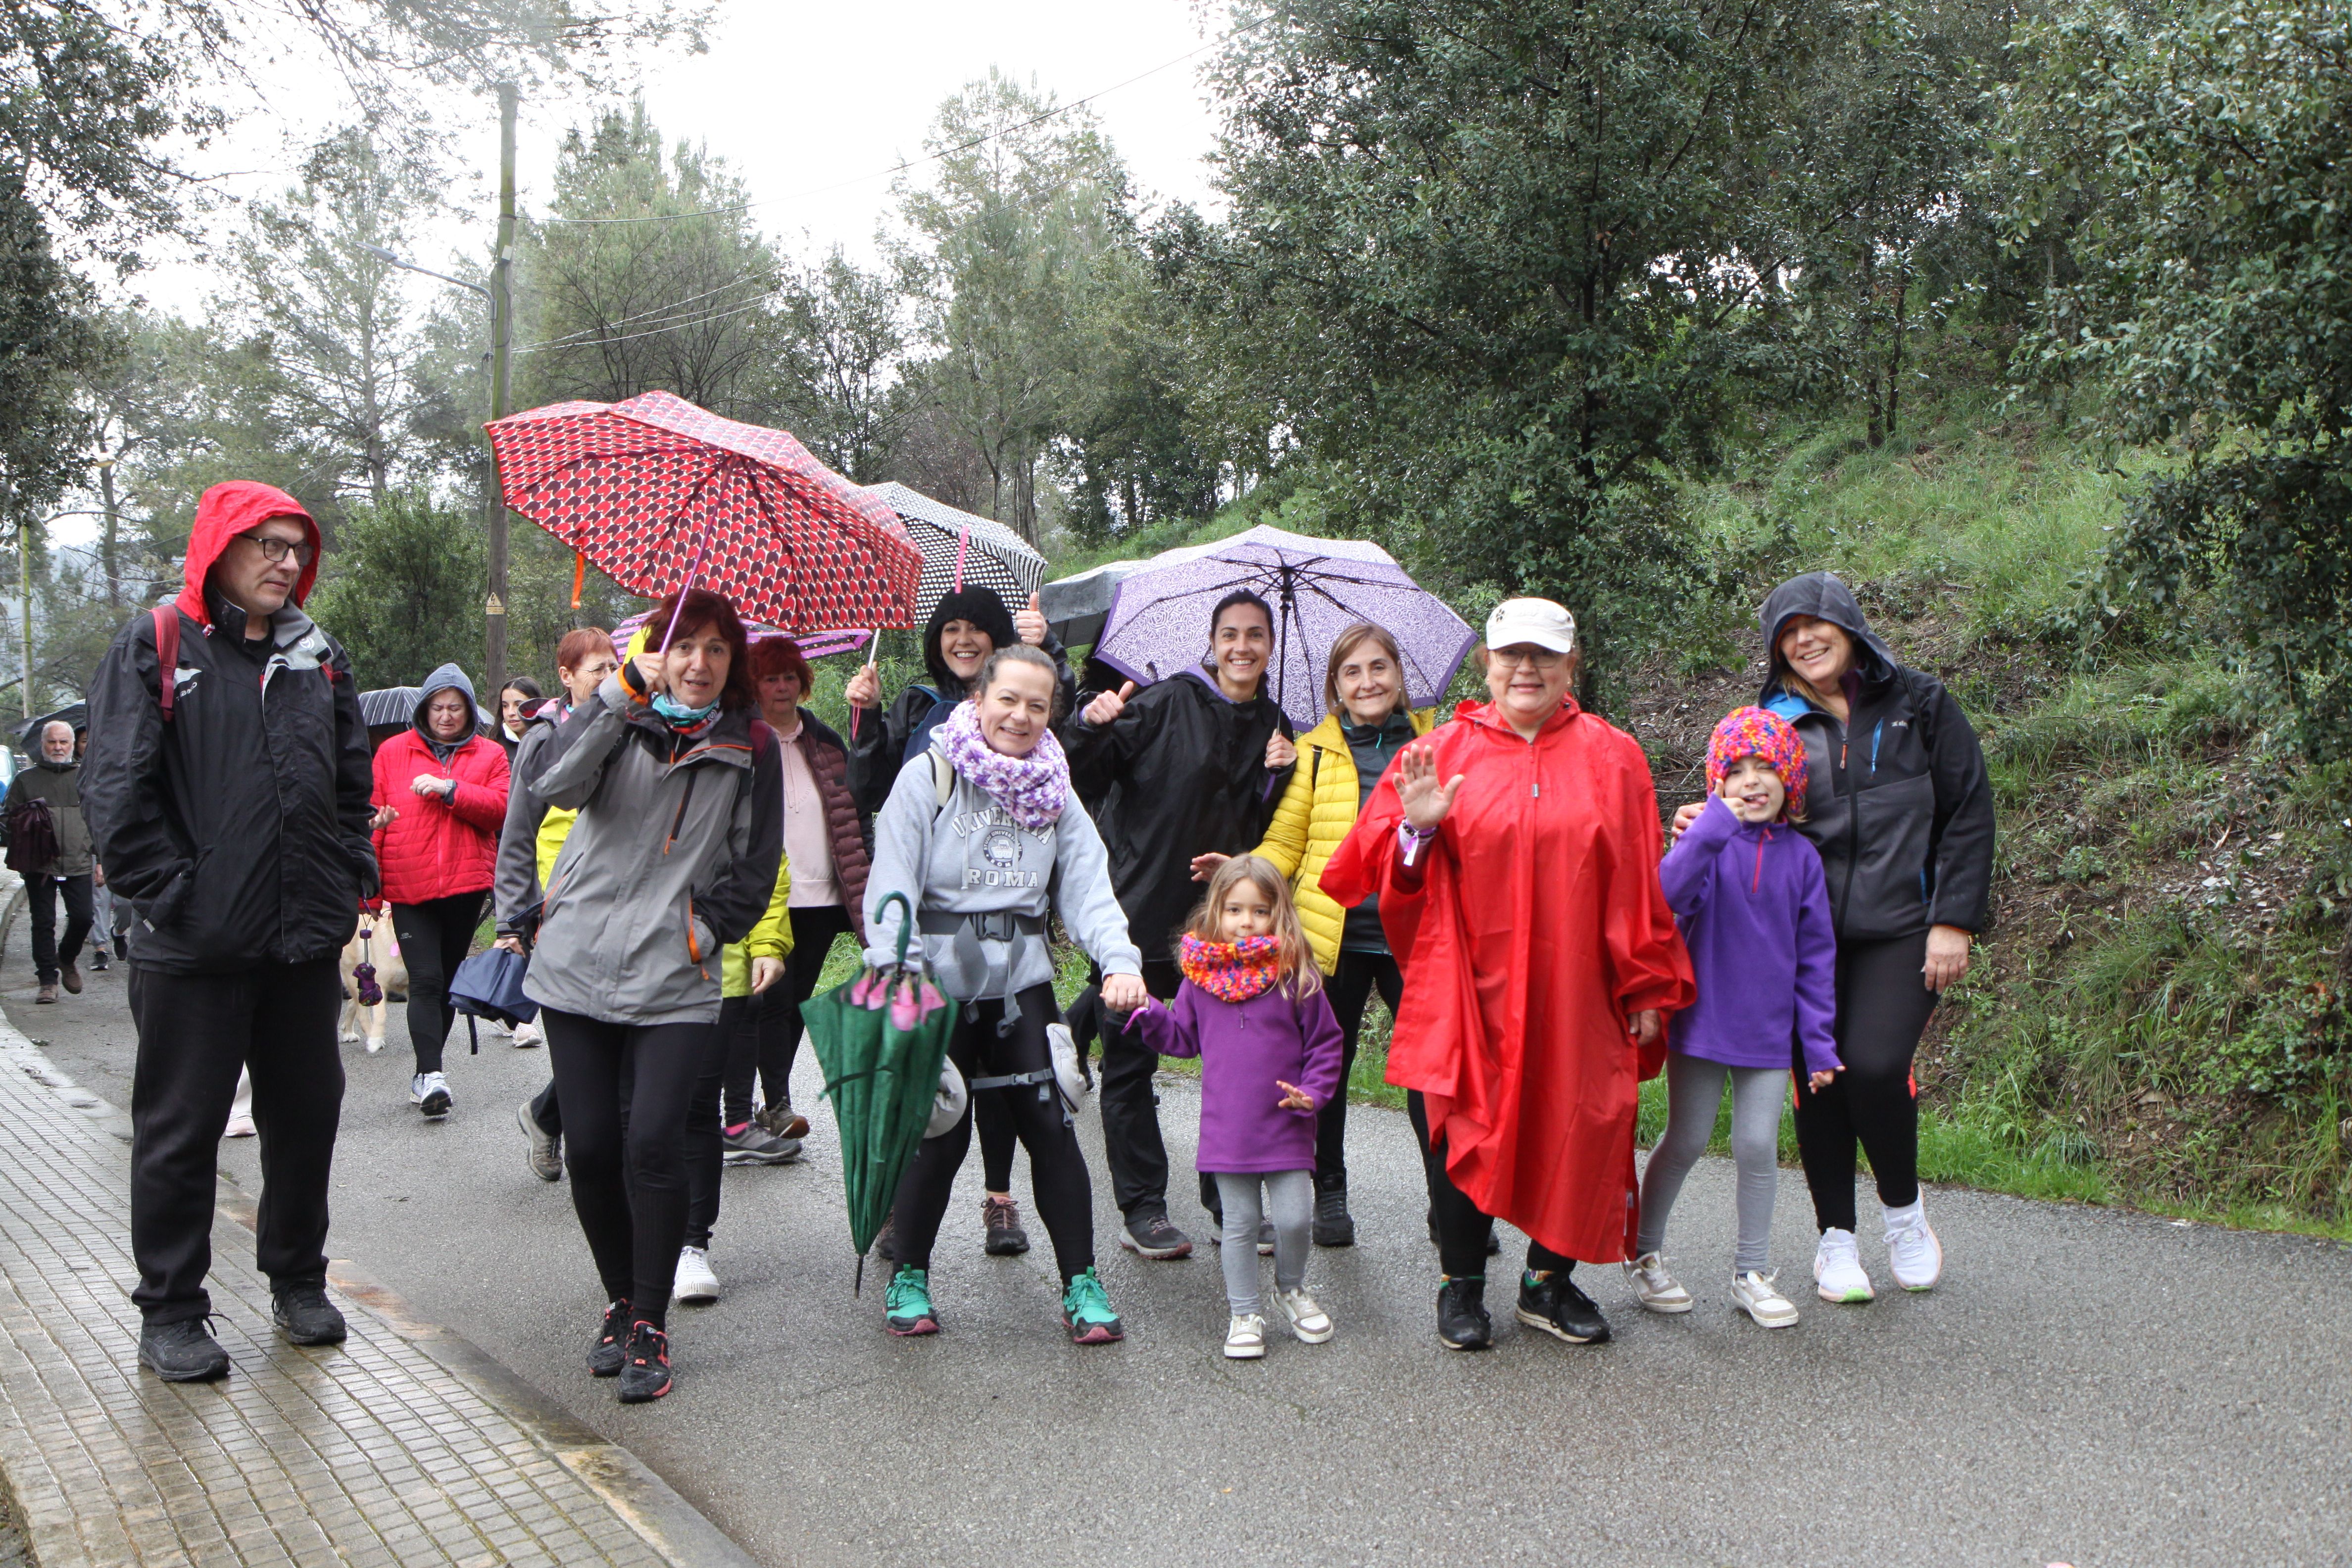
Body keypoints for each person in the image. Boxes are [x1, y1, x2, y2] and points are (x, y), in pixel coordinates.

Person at [1321, 597, 1695, 1351]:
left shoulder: (1614, 756)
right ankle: (1460, 1283)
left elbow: (1637, 879)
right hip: (1465, 985)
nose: (1527, 669)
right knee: (1460, 1120)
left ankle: (1546, 1283)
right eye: (1511, 655)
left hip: (1579, 986)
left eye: (1544, 655)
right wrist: (1417, 829)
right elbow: (1383, 876)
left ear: (1571, 664)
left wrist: (1647, 984)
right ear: (1486, 664)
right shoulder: (1441, 752)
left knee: (1584, 1119)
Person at [82, 479, 377, 1382]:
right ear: (221, 547)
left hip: (301, 940)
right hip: (193, 946)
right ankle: (173, 1309)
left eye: (298, 549)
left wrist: (348, 872)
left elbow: (350, 782)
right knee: (180, 1133)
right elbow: (115, 785)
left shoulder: (318, 656)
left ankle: (298, 1280)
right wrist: (174, 894)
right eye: (268, 545)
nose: (286, 563)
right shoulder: (158, 642)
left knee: (307, 1119)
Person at [1671, 572, 1994, 1300]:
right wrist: (1701, 817)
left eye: (1814, 624)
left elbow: (1968, 811)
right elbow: (1746, 795)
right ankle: (1835, 1241)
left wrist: (1954, 918)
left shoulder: (1919, 702)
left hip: (1902, 925)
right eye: (1786, 633)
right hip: (1793, 933)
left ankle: (1904, 1214)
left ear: (1849, 626)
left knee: (1873, 1065)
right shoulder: (1773, 720)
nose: (1803, 641)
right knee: (1819, 1080)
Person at [511, 588, 783, 1404]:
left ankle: (652, 1321)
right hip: (577, 962)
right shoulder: (619, 712)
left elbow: (756, 863)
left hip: (674, 970)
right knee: (592, 1148)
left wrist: (708, 928)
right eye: (684, 645)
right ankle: (622, 1298)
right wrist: (617, 696)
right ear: (657, 651)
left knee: (655, 1141)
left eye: (716, 649)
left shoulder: (750, 745)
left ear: (733, 663)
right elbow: (553, 784)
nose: (699, 663)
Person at [865, 644, 1148, 1345]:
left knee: (1051, 1126)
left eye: (1037, 706)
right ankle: (909, 1275)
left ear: (1052, 713)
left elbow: (1088, 887)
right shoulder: (930, 776)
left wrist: (1119, 961)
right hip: (933, 981)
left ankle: (1082, 1282)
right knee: (938, 1131)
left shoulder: (1056, 789)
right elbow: (892, 886)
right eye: (1008, 700)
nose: (1021, 716)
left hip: (1020, 982)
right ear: (980, 699)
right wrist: (897, 972)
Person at [1063, 589, 1298, 1260]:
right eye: (1231, 635)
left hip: (1226, 931)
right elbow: (1085, 777)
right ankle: (1143, 1209)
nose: (1243, 647)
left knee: (1235, 1069)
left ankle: (1229, 1202)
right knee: (1130, 1065)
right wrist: (1092, 724)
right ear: (1213, 643)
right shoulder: (1165, 702)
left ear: (1270, 646)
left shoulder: (1278, 726)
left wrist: (1284, 774)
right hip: (1139, 915)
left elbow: (1275, 832)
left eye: (1256, 635)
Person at [846, 587, 1070, 1256]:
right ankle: (902, 1207)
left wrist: (1052, 649)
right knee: (923, 1086)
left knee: (1005, 1086)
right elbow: (870, 788)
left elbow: (1067, 746)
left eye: (977, 629)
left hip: (1006, 929)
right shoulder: (918, 705)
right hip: (924, 921)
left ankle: (999, 1199)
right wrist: (866, 719)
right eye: (951, 628)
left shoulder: (1025, 718)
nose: (963, 639)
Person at [1198, 621, 1435, 1247]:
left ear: (1399, 675)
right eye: (1352, 672)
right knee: (1326, 1068)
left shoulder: (1435, 741)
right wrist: (1245, 871)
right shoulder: (1316, 751)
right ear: (1336, 685)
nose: (1367, 682)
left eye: (1378, 668)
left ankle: (1448, 1200)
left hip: (1418, 937)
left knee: (1433, 1074)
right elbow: (1287, 841)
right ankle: (1329, 1190)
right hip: (1333, 937)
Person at [1634, 707, 1839, 1329]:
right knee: (1686, 1140)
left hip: (1769, 1035)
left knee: (1756, 1147)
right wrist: (1704, 833)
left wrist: (1820, 1045)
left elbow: (1816, 961)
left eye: (1767, 768)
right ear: (1717, 783)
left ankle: (1752, 1273)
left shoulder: (1803, 859)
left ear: (1790, 782)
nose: (1752, 781)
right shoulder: (1706, 842)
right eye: (1737, 770)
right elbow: (1668, 897)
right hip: (1700, 1026)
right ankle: (1643, 1254)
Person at [1126, 856, 1343, 1360]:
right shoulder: (1200, 980)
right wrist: (1148, 1010)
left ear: (1279, 914)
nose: (1247, 922)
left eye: (1260, 911)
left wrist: (1313, 1092)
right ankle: (1244, 1313)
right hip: (1229, 1130)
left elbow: (1326, 1044)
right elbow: (1182, 1039)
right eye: (1235, 910)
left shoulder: (1295, 976)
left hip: (1287, 1123)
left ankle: (1290, 1288)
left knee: (1294, 1219)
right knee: (1240, 1225)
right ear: (1216, 913)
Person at [718, 636, 870, 1162]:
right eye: (769, 678)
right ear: (753, 684)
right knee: (766, 1001)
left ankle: (772, 1103)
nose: (781, 687)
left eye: (789, 677)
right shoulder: (741, 739)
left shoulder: (824, 740)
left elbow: (853, 809)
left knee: (795, 1003)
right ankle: (771, 1105)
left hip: (821, 893)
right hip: (766, 895)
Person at [495, 629, 617, 1178]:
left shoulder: (629, 728)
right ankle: (559, 1126)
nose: (609, 677)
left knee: (617, 1035)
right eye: (596, 669)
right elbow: (518, 836)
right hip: (559, 914)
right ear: (566, 677)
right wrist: (513, 921)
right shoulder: (544, 738)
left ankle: (548, 1116)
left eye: (615, 666)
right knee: (586, 1040)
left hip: (618, 904)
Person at [369, 667, 512, 1120]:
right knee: (426, 979)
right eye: (437, 708)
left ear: (469, 711)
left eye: (455, 708)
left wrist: (452, 789)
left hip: (465, 886)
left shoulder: (490, 754)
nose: (446, 716)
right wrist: (370, 889)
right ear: (424, 710)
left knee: (446, 981)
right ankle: (433, 1074)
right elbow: (373, 817)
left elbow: (500, 810)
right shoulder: (393, 752)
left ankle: (424, 1073)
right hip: (409, 885)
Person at [677, 837, 792, 1305]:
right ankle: (636, 1242)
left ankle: (691, 1244)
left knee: (698, 1110)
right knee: (632, 1118)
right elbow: (561, 836)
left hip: (715, 967)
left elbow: (765, 858)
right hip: (616, 963)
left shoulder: (738, 783)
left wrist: (766, 942)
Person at [4, 718, 96, 1003]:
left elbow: (101, 820)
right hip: (39, 864)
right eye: (52, 742)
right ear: (42, 745)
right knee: (43, 922)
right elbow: (7, 819)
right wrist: (26, 827)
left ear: (72, 745)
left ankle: (66, 958)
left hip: (79, 861)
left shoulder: (87, 777)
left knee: (83, 918)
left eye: (63, 742)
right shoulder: (26, 780)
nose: (58, 747)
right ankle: (47, 981)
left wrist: (101, 860)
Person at [494, 677, 542, 756]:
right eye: (505, 706)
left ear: (536, 704)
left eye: (519, 705)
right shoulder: (492, 747)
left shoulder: (551, 741)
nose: (510, 713)